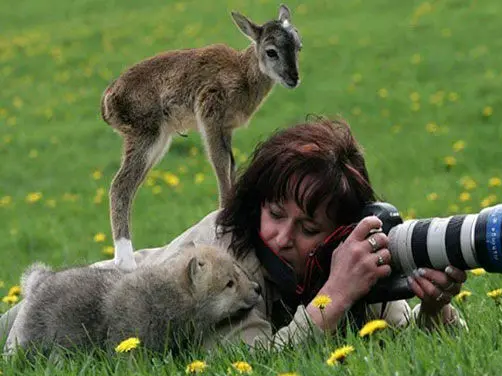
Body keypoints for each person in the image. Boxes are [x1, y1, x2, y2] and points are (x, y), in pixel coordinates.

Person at [0, 116, 467, 352]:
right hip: (59, 312)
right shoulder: (223, 260)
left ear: (340, 234)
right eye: (274, 213)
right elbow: (256, 366)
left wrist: (435, 310)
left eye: (308, 228)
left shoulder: (349, 257)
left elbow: (411, 345)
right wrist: (334, 298)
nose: (282, 237)